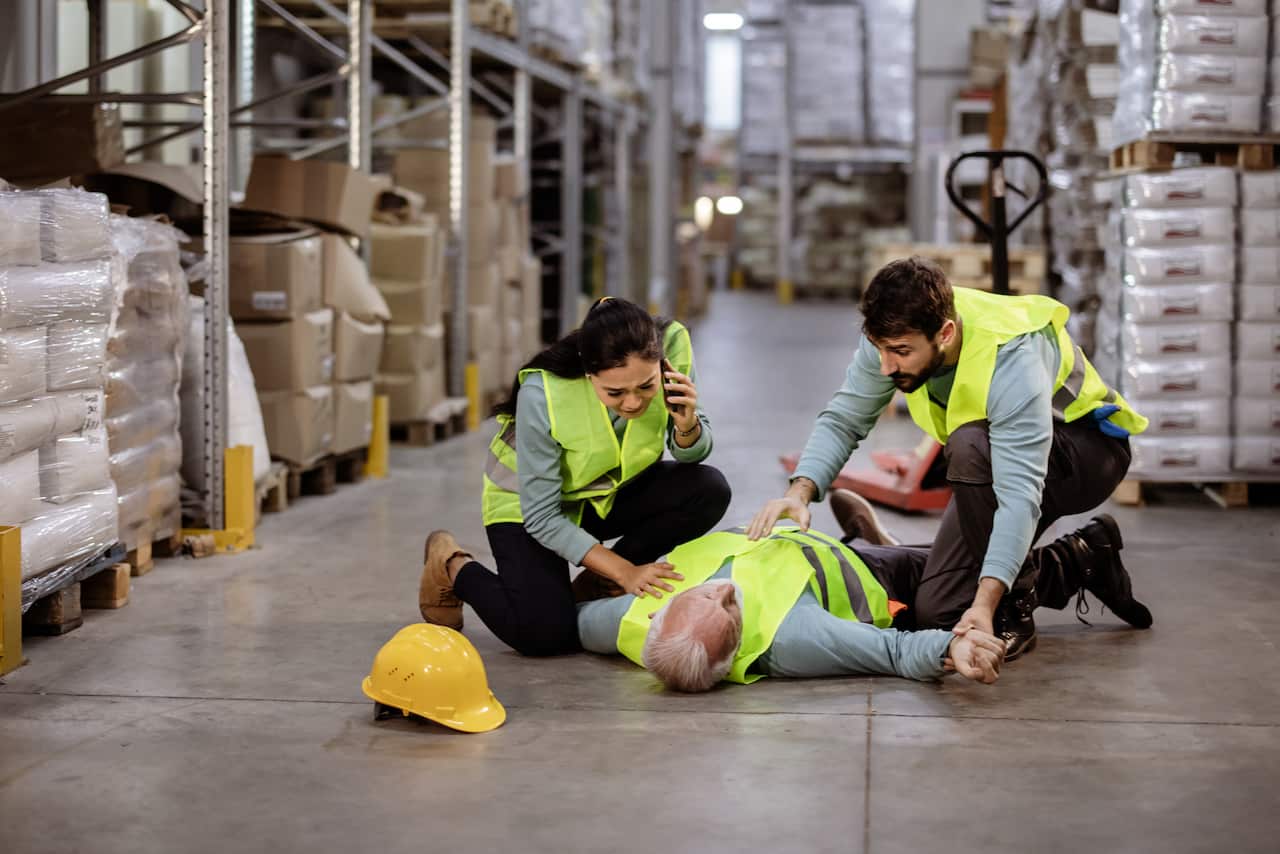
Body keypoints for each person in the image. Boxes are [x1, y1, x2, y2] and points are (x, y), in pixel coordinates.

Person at [748, 257, 1153, 660]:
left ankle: (1016, 610)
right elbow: (844, 418)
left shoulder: (1013, 355)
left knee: (969, 445)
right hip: (994, 457)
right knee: (940, 611)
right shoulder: (893, 334)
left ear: (944, 333)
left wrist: (993, 600)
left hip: (1086, 454)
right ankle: (1081, 556)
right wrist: (799, 492)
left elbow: (1019, 495)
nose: (887, 366)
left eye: (901, 352)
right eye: (880, 349)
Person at [419, 297, 732, 656]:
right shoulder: (544, 393)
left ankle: (597, 582)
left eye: (645, 387)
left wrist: (687, 421)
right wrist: (625, 571)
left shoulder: (673, 351)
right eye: (615, 392)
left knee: (708, 489)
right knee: (545, 636)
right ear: (589, 374)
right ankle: (452, 564)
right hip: (527, 509)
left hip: (605, 496)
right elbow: (542, 517)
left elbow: (692, 454)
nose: (633, 403)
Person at [578, 508, 1152, 692]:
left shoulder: (631, 619)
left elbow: (569, 621)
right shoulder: (793, 641)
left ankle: (879, 540)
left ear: (658, 618)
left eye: (691, 596)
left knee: (948, 575)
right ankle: (1082, 554)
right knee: (950, 596)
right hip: (866, 578)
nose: (717, 586)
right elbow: (892, 651)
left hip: (813, 547)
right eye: (720, 602)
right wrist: (957, 655)